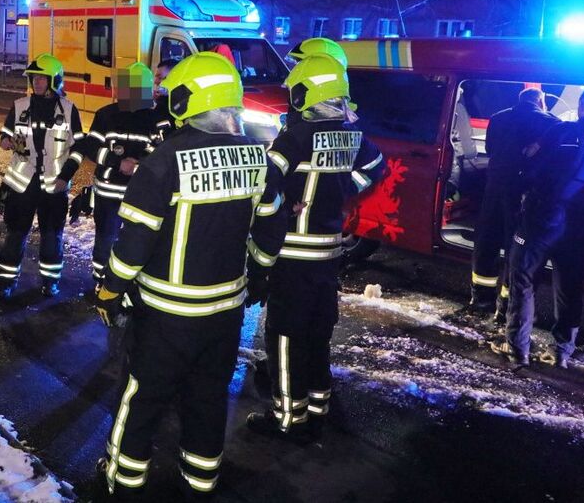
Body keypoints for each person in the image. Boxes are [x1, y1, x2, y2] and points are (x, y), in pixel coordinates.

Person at [95, 52, 271, 499]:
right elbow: (269, 230)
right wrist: (260, 275)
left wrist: (110, 289)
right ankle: (201, 480)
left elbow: (134, 242)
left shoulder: (165, 159)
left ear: (185, 99)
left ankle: (123, 481)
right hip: (226, 313)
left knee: (143, 397)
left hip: (166, 315)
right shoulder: (258, 156)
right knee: (208, 397)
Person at [245, 52, 384, 441]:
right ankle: (319, 407)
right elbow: (376, 168)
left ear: (306, 93)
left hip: (293, 253)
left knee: (285, 336)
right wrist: (341, 191)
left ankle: (288, 418)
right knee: (318, 332)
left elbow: (263, 183)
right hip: (329, 253)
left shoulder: (295, 137)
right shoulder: (353, 135)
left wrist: (281, 207)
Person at [492, 88, 584, 369]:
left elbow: (530, 165)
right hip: (581, 227)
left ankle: (517, 348)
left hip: (542, 218)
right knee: (569, 287)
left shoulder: (562, 131)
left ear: (582, 106)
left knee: (521, 278)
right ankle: (562, 351)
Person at [0, 53, 84, 298]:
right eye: (34, 78)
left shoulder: (68, 110)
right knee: (15, 235)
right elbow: (4, 134)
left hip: (54, 186)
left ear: (55, 80)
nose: (37, 82)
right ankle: (5, 283)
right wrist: (5, 141)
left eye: (42, 78)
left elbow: (79, 148)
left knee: (52, 237)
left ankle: (50, 282)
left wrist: (65, 176)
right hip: (22, 185)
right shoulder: (19, 106)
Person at [469, 87, 559, 317]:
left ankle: (481, 299)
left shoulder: (498, 118)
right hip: (522, 193)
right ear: (541, 102)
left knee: (486, 241)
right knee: (515, 247)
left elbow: (490, 149)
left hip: (493, 188)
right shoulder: (550, 122)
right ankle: (507, 306)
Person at [75, 62, 164, 284]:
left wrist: (138, 165)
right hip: (107, 194)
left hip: (139, 194)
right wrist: (117, 163)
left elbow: (161, 153)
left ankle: (129, 283)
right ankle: (102, 281)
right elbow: (91, 147)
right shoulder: (106, 115)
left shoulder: (156, 120)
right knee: (105, 239)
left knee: (136, 240)